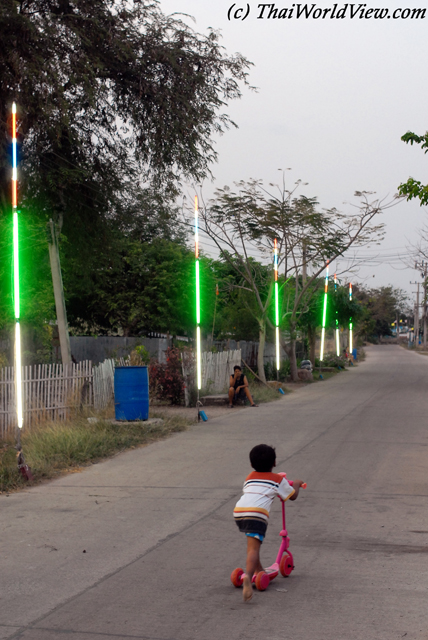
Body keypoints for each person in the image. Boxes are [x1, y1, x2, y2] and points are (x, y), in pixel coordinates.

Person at [233, 444, 304, 602]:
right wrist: (297, 484)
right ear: (274, 463)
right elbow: (292, 496)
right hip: (256, 514)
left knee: (252, 545)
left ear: (252, 464)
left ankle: (259, 571)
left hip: (239, 511)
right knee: (253, 549)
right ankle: (248, 578)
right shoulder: (278, 479)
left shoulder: (250, 476)